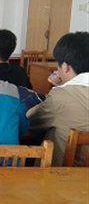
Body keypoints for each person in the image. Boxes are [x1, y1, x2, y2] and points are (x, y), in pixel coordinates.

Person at [28, 32, 89, 166]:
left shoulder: (61, 96)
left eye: (58, 67)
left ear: (65, 67)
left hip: (63, 175)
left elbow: (30, 121)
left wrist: (59, 89)